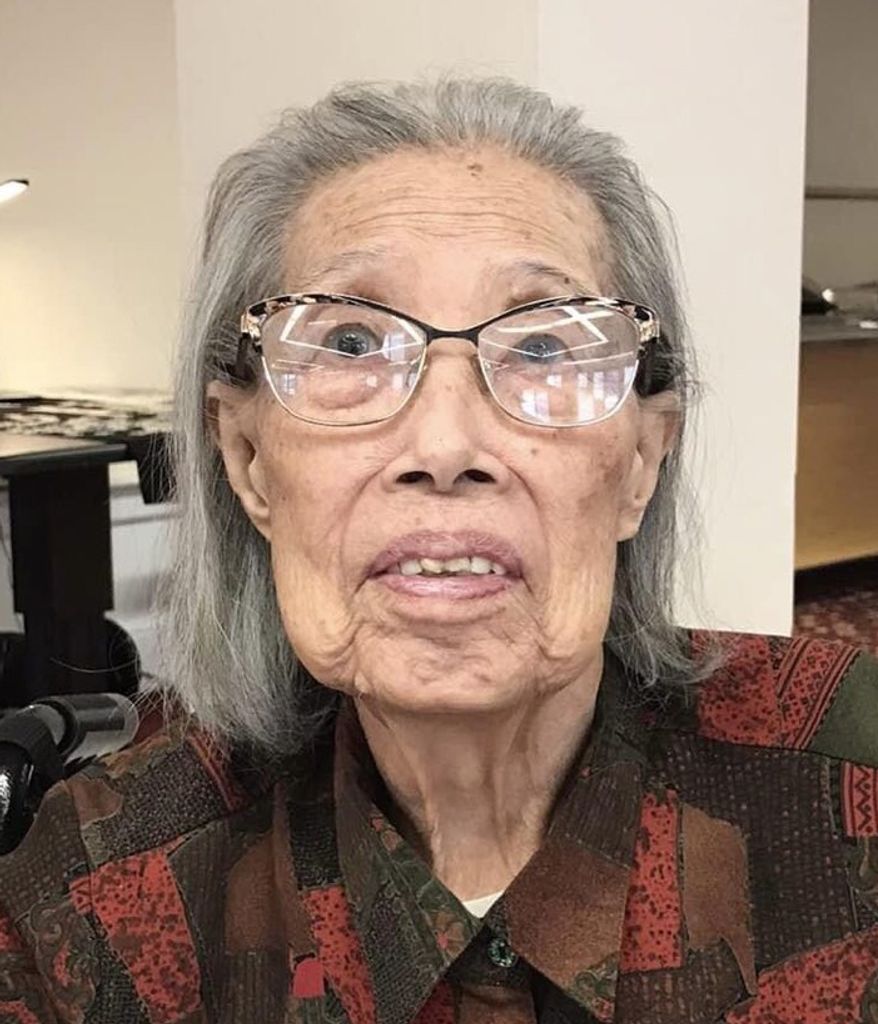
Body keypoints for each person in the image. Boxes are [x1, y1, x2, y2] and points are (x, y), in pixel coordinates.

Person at [1, 77, 876, 1024]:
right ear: (248, 461)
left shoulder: (851, 794)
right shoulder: (99, 896)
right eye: (349, 342)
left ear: (641, 463)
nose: (447, 446)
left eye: (544, 348)